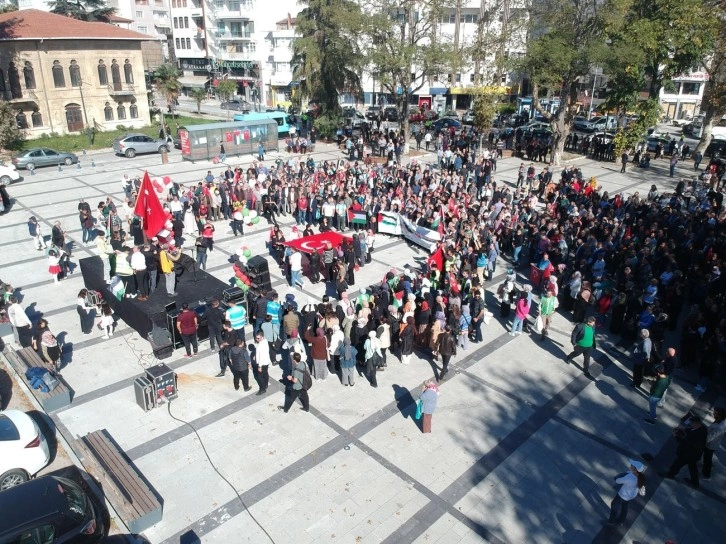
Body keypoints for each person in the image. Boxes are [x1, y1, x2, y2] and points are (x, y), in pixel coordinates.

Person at [664, 414, 707, 488]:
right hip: (695, 454)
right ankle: (695, 482)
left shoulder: (697, 435)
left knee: (678, 463)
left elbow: (686, 443)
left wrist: (676, 436)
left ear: (696, 423)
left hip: (689, 453)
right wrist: (685, 429)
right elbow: (692, 430)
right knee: (692, 468)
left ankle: (670, 475)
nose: (691, 425)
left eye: (692, 423)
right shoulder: (703, 428)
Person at [606, 459, 646, 526]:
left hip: (623, 495)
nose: (630, 466)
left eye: (632, 466)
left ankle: (611, 521)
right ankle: (621, 521)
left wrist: (618, 477)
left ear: (635, 470)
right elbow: (642, 492)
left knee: (614, 505)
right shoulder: (641, 477)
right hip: (631, 496)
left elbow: (618, 481)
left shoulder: (630, 478)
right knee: (624, 506)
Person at [703, 407, 726, 480]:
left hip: (710, 445)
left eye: (715, 413)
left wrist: (702, 440)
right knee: (708, 457)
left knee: (707, 458)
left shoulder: (719, 427)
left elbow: (711, 437)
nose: (713, 413)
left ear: (719, 415)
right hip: (713, 444)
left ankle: (707, 474)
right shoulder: (720, 421)